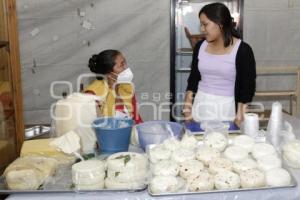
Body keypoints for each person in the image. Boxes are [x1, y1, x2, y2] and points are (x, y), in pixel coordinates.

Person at [182, 3, 256, 127]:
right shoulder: (200, 47)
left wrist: (240, 116)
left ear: (220, 24)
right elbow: (193, 78)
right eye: (201, 24)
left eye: (205, 24)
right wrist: (187, 107)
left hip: (227, 109)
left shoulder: (242, 50)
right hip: (200, 105)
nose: (202, 29)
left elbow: (247, 88)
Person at [85, 49, 143, 124]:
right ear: (109, 74)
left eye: (125, 62)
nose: (126, 68)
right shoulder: (93, 94)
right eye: (121, 65)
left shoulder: (127, 88)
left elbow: (136, 118)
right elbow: (92, 126)